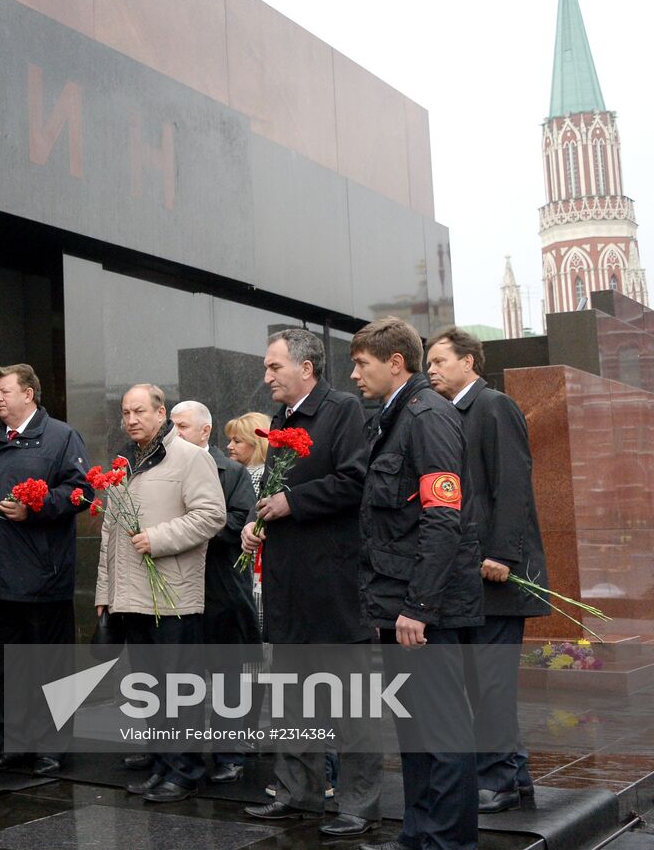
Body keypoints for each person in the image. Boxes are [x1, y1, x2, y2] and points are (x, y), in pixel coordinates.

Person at [240, 328, 381, 839]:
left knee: (349, 704)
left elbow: (354, 479)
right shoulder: (281, 420)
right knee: (292, 700)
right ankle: (296, 792)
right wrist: (261, 523)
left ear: (306, 367)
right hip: (288, 585)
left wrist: (291, 504)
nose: (267, 376)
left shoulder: (342, 410)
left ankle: (358, 805)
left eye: (274, 367)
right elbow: (280, 491)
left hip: (333, 585)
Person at [351, 317, 483, 850]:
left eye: (362, 364)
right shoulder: (394, 416)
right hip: (398, 602)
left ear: (395, 363)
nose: (355, 375)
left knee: (443, 733)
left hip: (425, 608)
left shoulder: (428, 416)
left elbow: (441, 517)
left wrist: (420, 605)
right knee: (414, 732)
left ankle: (448, 841)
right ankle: (418, 833)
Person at [427, 326, 548, 813]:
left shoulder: (493, 406)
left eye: (439, 361)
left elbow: (513, 484)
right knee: (485, 679)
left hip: (496, 572)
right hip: (472, 572)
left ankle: (495, 780)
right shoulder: (451, 414)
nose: (430, 370)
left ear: (469, 362)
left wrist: (503, 554)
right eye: (428, 363)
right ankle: (514, 776)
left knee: (491, 681)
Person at [0, 363, 88, 773]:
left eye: (5, 391)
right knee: (6, 664)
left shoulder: (61, 437)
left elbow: (81, 492)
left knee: (48, 664)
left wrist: (37, 507)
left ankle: (51, 747)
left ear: (29, 394)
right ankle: (18, 740)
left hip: (43, 576)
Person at [98, 385, 226, 803]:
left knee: (178, 690)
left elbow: (212, 515)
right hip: (130, 597)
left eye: (139, 411)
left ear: (161, 413)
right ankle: (161, 765)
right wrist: (105, 589)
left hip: (173, 596)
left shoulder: (191, 457)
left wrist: (158, 538)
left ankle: (185, 772)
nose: (131, 419)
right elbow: (109, 533)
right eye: (125, 413)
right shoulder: (123, 464)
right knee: (150, 690)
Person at [169, 400, 259, 784]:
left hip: (220, 586)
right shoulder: (159, 468)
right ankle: (172, 751)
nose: (175, 433)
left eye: (183, 426)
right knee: (177, 675)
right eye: (171, 426)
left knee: (227, 675)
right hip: (174, 587)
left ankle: (229, 752)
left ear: (205, 431)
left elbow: (240, 520)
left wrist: (187, 531)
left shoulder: (232, 471)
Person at [224, 412, 270, 491]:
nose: (229, 446)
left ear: (257, 443)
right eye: (230, 440)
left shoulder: (260, 476)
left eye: (237, 441)